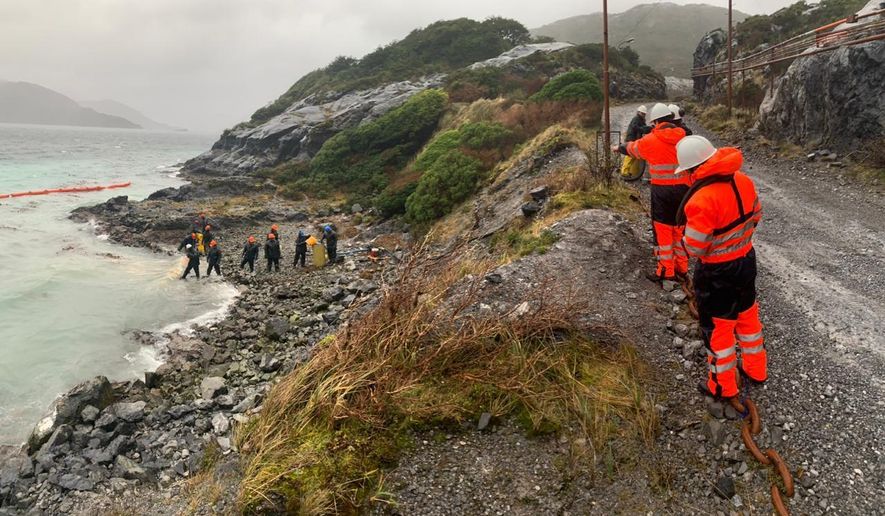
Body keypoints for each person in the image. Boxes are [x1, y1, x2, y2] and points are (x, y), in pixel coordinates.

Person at [674, 135, 765, 399]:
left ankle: (723, 386)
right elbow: (756, 215)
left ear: (693, 170)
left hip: (717, 273)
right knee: (748, 316)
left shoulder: (701, 200)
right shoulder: (744, 181)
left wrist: (684, 238)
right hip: (747, 260)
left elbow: (696, 248)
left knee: (719, 329)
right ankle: (756, 370)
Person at [612, 102, 689, 282]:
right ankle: (682, 267)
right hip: (684, 192)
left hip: (662, 192)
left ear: (655, 123)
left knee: (663, 230)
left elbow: (633, 149)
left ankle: (666, 271)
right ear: (672, 119)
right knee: (679, 229)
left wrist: (618, 148)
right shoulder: (684, 138)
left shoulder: (651, 140)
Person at [620, 105, 651, 182]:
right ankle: (624, 172)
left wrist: (648, 128)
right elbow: (636, 127)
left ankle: (631, 172)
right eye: (642, 113)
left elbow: (643, 128)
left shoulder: (640, 120)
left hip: (634, 140)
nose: (643, 115)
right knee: (630, 156)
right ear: (638, 112)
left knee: (634, 156)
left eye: (644, 114)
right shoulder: (636, 119)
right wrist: (644, 129)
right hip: (631, 139)